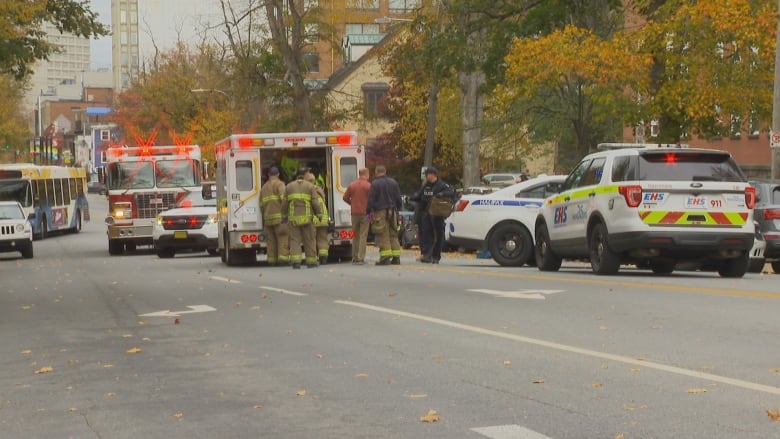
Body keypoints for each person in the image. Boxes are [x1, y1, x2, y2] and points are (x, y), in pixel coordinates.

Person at [412, 166, 455, 264]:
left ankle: (436, 256)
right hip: (426, 214)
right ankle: (427, 255)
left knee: (438, 235)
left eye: (427, 174)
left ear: (433, 175)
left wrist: (442, 194)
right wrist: (413, 198)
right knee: (426, 235)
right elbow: (419, 196)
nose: (426, 176)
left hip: (436, 214)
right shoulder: (426, 185)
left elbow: (451, 193)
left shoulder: (442, 185)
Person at [283, 167, 322, 269]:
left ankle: (296, 262)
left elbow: (284, 203)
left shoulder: (289, 186)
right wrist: (319, 214)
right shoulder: (310, 186)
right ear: (304, 175)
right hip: (307, 218)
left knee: (294, 240)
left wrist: (284, 216)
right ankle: (311, 262)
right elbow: (315, 202)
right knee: (309, 239)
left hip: (293, 219)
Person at [367, 165, 403, 266]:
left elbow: (370, 201)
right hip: (393, 211)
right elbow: (399, 199)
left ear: (376, 172)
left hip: (380, 212)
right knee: (393, 234)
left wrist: (368, 215)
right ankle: (396, 258)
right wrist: (397, 210)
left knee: (382, 234)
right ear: (385, 171)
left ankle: (385, 258)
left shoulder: (375, 184)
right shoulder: (393, 182)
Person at [259, 166, 289, 266]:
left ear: (268, 175)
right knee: (282, 238)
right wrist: (286, 214)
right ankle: (283, 259)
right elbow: (284, 200)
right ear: (278, 174)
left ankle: (272, 260)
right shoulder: (280, 184)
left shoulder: (263, 187)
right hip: (279, 218)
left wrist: (265, 215)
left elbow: (261, 205)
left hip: (268, 219)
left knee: (271, 241)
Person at [343, 168, 371, 265]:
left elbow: (345, 197)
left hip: (354, 213)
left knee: (354, 235)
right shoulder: (368, 186)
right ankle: (361, 257)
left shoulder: (352, 185)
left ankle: (354, 257)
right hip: (366, 214)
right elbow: (371, 200)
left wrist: (352, 203)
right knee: (364, 235)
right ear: (366, 174)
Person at [305, 172, 330, 265]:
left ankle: (313, 257)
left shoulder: (306, 190)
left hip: (314, 218)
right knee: (323, 238)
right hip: (323, 217)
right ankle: (323, 256)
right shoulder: (319, 189)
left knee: (312, 239)